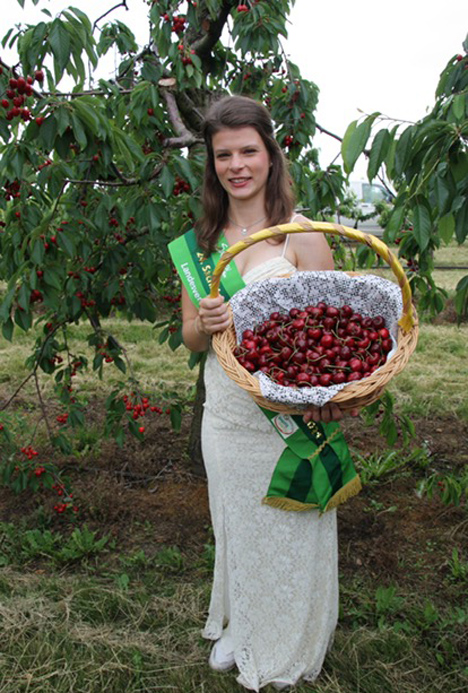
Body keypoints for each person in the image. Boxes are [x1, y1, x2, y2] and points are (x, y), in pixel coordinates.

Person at [169, 95, 359, 691]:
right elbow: (191, 340)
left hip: (286, 414)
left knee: (292, 523)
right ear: (212, 164)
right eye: (224, 154)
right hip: (227, 411)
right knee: (236, 522)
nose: (237, 165)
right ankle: (243, 624)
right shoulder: (201, 244)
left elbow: (332, 330)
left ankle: (287, 639)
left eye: (249, 150)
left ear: (271, 156)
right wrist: (206, 318)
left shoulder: (302, 238)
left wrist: (328, 395)